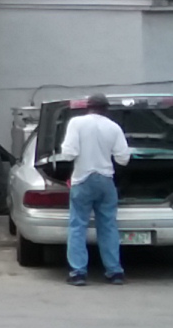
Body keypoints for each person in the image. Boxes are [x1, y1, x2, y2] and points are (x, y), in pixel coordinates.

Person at [53, 93, 131, 286]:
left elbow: (69, 154)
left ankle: (78, 273)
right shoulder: (114, 127)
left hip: (82, 179)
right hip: (106, 180)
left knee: (78, 226)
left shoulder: (76, 123)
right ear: (106, 108)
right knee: (108, 226)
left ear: (88, 106)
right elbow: (123, 159)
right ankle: (115, 272)